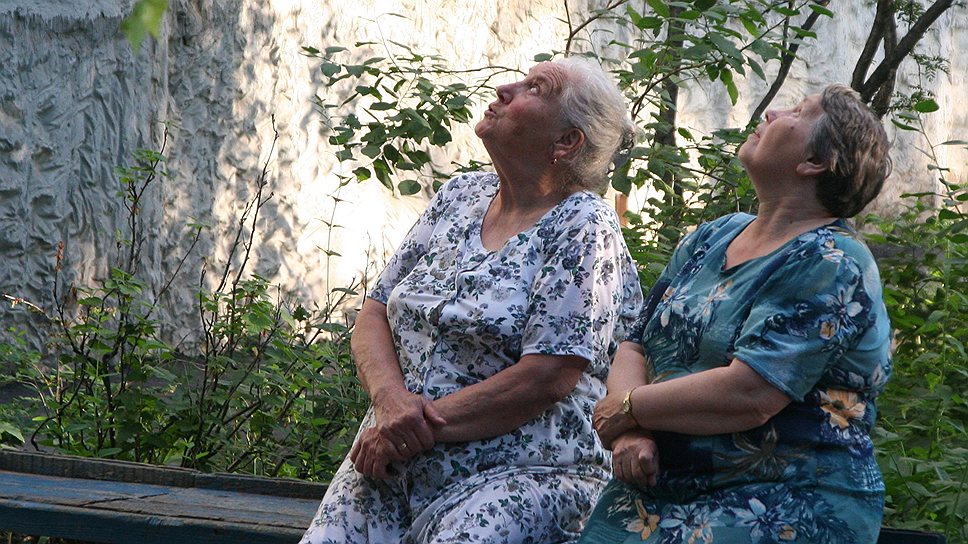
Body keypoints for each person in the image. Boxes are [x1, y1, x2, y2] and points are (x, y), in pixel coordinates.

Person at [301, 57, 643, 544]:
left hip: (521, 473)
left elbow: (549, 374)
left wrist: (413, 428)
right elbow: (375, 310)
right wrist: (389, 401)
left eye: (535, 88)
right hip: (390, 457)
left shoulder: (584, 224)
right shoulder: (460, 196)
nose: (505, 88)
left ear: (566, 142)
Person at [581, 84, 893, 544]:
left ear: (814, 162)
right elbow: (635, 344)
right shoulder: (714, 235)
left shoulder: (832, 260)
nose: (772, 112)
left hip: (780, 499)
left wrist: (627, 409)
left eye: (798, 111)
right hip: (656, 484)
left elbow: (749, 393)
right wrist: (630, 433)